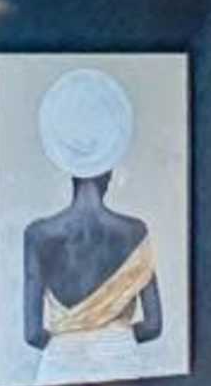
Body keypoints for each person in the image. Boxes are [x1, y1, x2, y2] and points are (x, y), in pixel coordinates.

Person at [19, 64, 164, 355]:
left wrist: (70, 346)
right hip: (120, 367)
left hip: (59, 370)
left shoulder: (37, 234)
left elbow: (33, 334)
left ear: (67, 168)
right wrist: (111, 340)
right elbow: (153, 325)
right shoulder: (136, 232)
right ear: (109, 173)